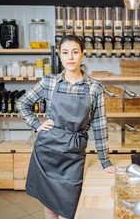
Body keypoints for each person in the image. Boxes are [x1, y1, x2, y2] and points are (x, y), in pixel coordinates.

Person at [17, 35, 115, 219]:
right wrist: (37, 125)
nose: (70, 57)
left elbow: (100, 126)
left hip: (73, 154)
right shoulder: (49, 82)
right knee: (49, 208)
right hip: (47, 151)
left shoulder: (94, 87)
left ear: (82, 55)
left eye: (75, 52)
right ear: (59, 56)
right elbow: (22, 103)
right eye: (65, 52)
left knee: (68, 210)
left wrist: (105, 160)